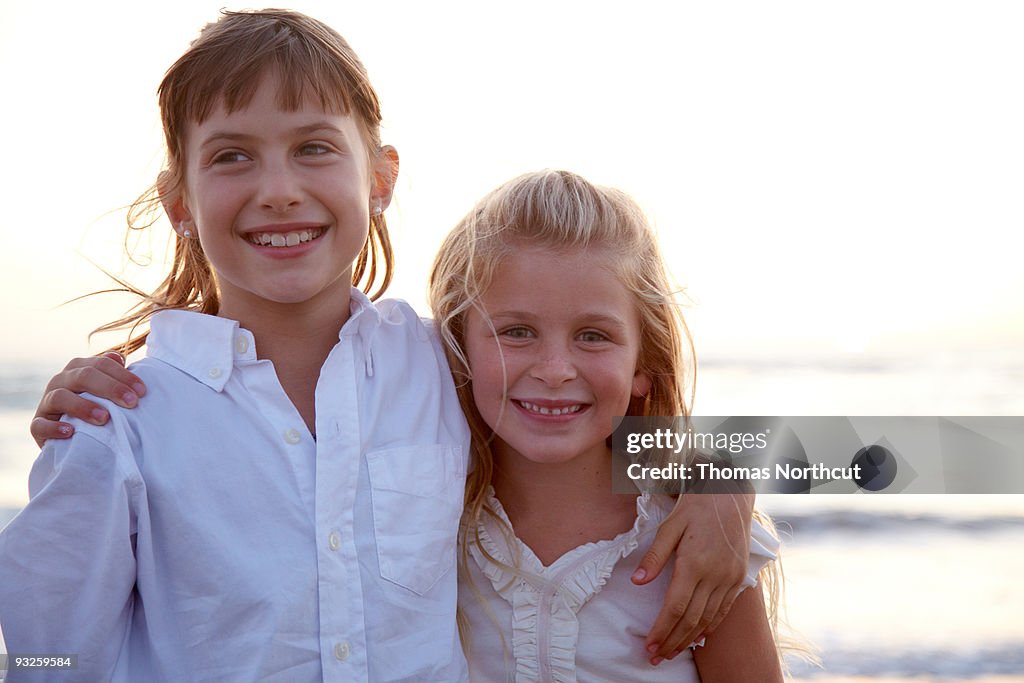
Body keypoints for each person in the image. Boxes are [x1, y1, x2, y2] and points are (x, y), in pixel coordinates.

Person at [14, 9, 757, 679]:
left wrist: (731, 481)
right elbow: (47, 659)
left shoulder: (445, 366)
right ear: (180, 202)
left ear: (380, 177)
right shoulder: (117, 427)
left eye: (313, 148)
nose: (278, 188)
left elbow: (605, 432)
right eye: (232, 155)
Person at [429, 170, 784, 681]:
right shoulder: (422, 523)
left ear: (643, 366)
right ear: (460, 347)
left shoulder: (697, 541)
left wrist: (725, 479)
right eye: (517, 332)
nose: (554, 370)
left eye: (593, 336)